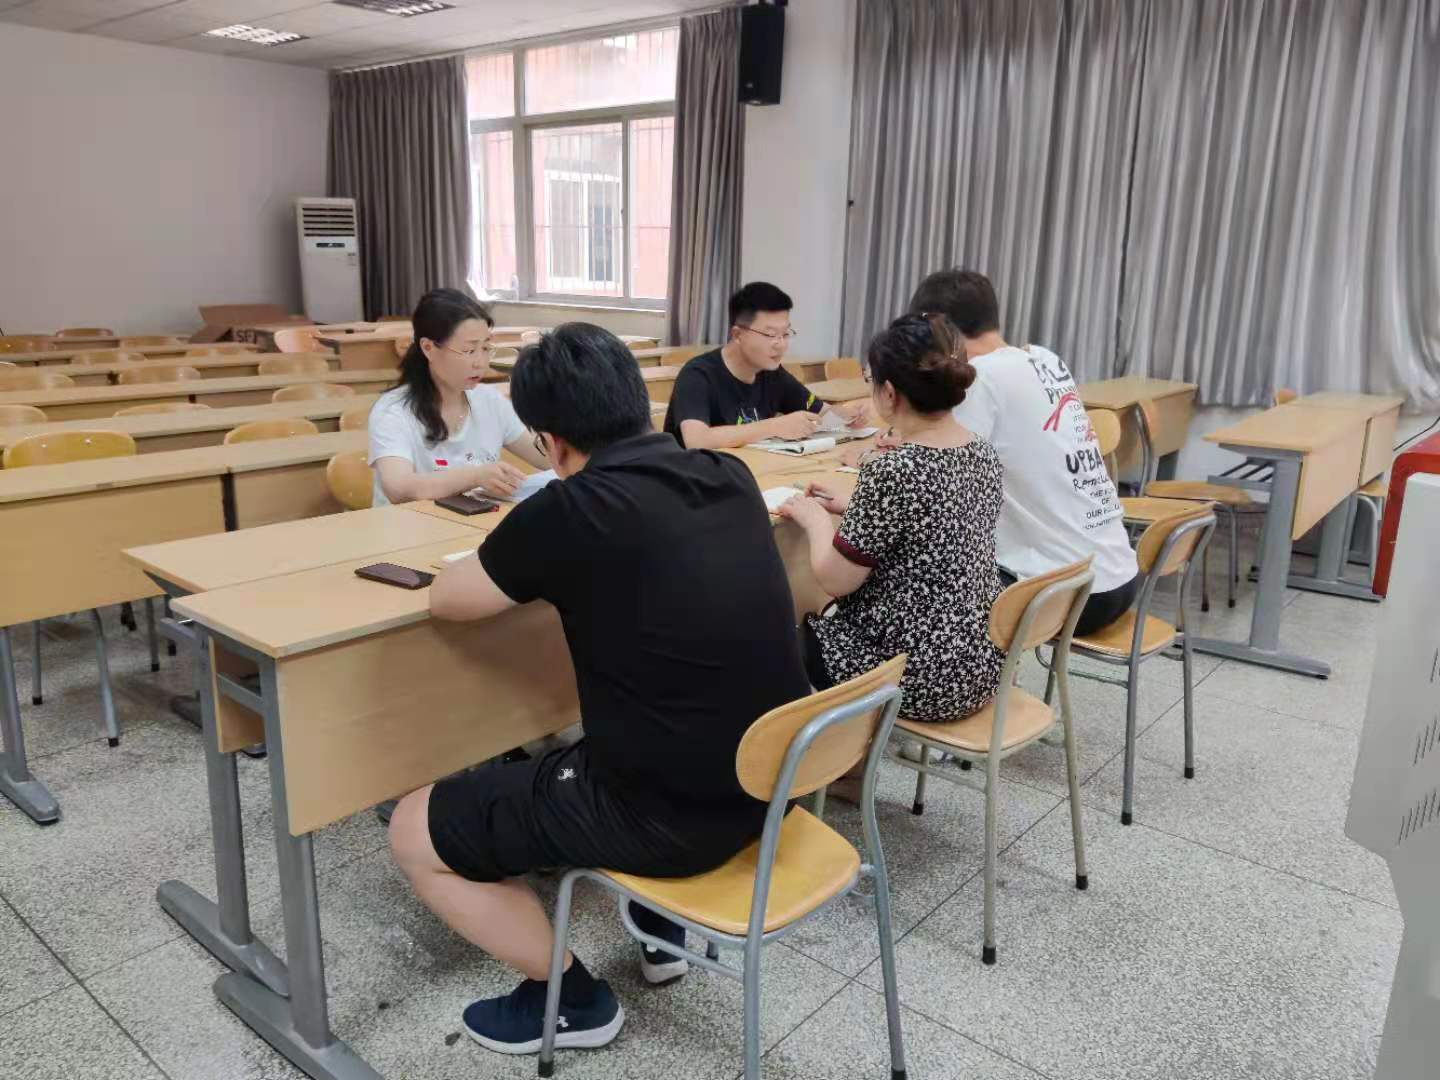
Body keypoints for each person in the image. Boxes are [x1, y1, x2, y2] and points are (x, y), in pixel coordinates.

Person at [388, 323, 812, 1059]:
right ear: (638, 403)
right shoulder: (728, 474)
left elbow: (449, 600)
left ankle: (572, 1001)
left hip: (670, 819)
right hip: (772, 786)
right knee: (620, 718)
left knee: (412, 827)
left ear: (551, 444)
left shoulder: (569, 510)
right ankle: (659, 928)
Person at [780, 314, 1006, 726]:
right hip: (979, 664)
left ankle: (830, 756)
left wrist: (815, 521)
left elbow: (835, 580)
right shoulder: (982, 451)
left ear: (888, 393)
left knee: (788, 630)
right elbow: (931, 523)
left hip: (915, 677)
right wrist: (855, 507)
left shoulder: (894, 470)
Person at [905, 269, 1139, 635]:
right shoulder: (1045, 359)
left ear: (940, 331)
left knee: (911, 573)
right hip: (1117, 574)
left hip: (1064, 595)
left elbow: (933, 470)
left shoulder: (980, 377)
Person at [367, 288, 549, 507]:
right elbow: (399, 489)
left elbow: (546, 457)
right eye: (469, 351)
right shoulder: (394, 410)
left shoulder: (489, 401)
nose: (480, 363)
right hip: (408, 525)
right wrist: (475, 476)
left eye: (485, 348)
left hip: (473, 523)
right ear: (428, 348)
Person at [663, 281, 865, 448]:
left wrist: (847, 416)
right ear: (738, 335)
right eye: (770, 335)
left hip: (751, 472)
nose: (781, 344)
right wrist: (775, 426)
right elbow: (697, 440)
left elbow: (821, 412)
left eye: (785, 334)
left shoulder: (773, 373)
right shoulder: (698, 375)